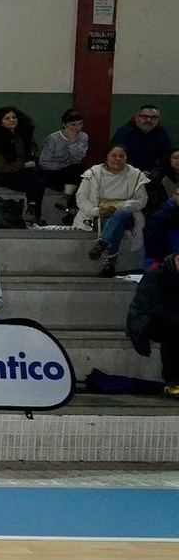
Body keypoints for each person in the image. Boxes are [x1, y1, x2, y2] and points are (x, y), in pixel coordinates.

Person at [78, 146, 149, 277]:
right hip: (100, 213)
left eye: (122, 156)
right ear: (106, 158)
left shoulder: (136, 174)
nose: (118, 159)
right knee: (116, 225)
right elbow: (82, 198)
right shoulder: (93, 173)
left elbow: (141, 200)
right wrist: (98, 211)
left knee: (120, 215)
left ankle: (103, 242)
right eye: (114, 156)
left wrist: (118, 207)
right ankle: (109, 264)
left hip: (127, 212)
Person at [0, 105, 45, 224]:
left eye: (14, 117)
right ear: (0, 123)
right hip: (2, 176)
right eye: (7, 118)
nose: (12, 120)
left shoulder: (23, 137)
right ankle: (33, 212)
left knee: (37, 178)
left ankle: (32, 210)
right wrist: (23, 166)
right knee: (34, 177)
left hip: (24, 173)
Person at [127, 252, 179, 398]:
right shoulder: (156, 275)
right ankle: (172, 381)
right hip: (146, 321)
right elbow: (153, 309)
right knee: (173, 331)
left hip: (171, 318)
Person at [38, 109, 90, 219]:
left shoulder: (83, 137)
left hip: (71, 172)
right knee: (78, 172)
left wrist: (72, 143)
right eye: (73, 125)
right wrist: (63, 166)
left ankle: (67, 202)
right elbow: (43, 163)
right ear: (64, 124)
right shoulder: (53, 139)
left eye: (80, 124)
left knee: (83, 172)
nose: (77, 128)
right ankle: (71, 210)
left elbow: (78, 158)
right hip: (52, 172)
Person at [110, 105, 173, 177]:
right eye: (144, 117)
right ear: (137, 118)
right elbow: (115, 157)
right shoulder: (124, 133)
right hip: (127, 172)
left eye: (153, 117)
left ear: (158, 120)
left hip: (153, 172)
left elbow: (167, 157)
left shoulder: (162, 134)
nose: (149, 120)